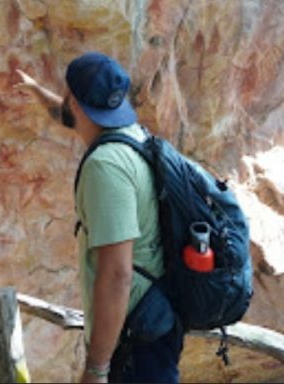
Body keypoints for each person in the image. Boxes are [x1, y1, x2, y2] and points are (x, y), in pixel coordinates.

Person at [16, 52, 184, 384]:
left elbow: (117, 274)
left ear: (75, 102)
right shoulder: (132, 134)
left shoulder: (106, 167)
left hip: (137, 335)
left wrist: (96, 369)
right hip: (158, 313)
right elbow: (70, 115)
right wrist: (35, 89)